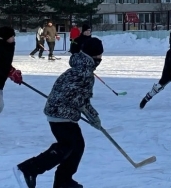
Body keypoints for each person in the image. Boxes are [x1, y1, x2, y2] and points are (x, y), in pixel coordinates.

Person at [14, 38, 104, 188]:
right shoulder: (85, 73)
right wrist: (93, 116)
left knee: (77, 145)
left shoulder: (80, 67)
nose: (101, 59)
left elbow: (78, 97)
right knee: (67, 145)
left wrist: (91, 114)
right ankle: (28, 169)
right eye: (100, 55)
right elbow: (79, 100)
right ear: (94, 56)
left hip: (59, 111)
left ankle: (64, 181)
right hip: (61, 114)